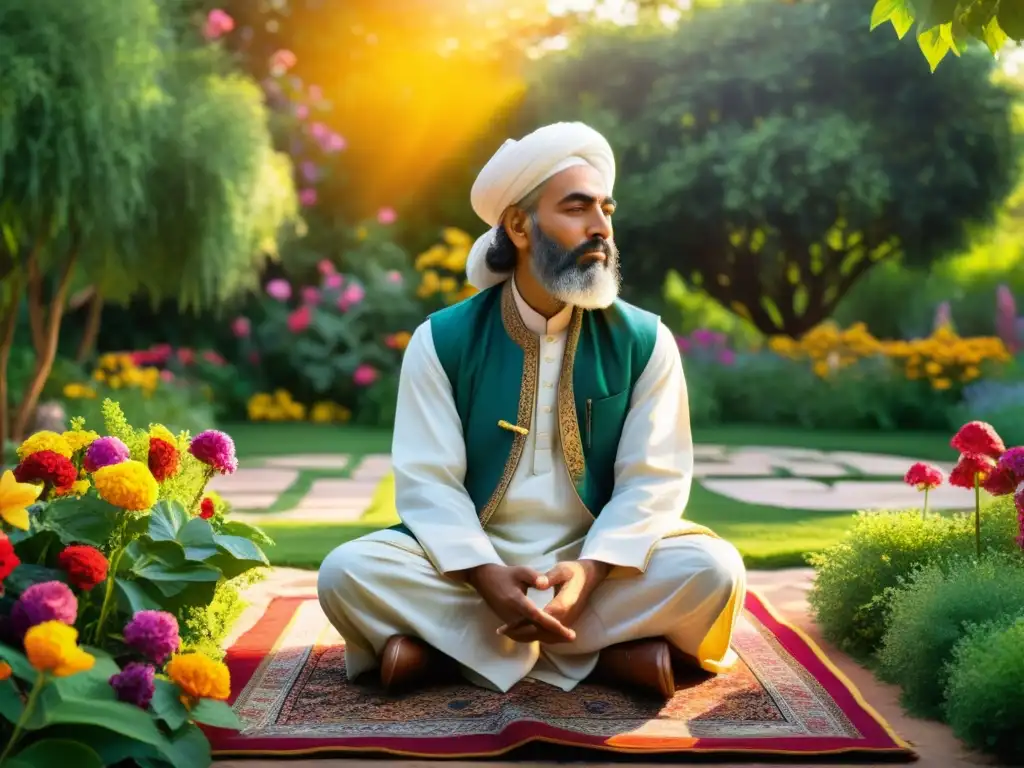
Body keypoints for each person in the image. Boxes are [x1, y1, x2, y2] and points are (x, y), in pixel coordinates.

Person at [317, 122, 747, 699]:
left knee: (714, 571)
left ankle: (448, 654)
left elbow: (654, 482)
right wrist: (484, 574)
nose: (601, 227)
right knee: (346, 572)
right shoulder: (442, 340)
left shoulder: (645, 340)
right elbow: (429, 483)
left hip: (602, 563)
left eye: (606, 210)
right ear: (520, 226)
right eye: (577, 208)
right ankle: (609, 656)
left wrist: (591, 573)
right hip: (471, 569)